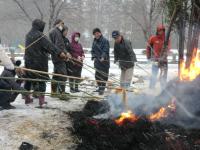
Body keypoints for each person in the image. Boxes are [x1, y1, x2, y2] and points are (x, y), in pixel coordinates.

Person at [24, 19, 66, 107]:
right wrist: (59, 53)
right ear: (39, 26)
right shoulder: (40, 36)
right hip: (39, 62)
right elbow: (50, 46)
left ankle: (27, 98)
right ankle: (41, 100)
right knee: (42, 80)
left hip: (29, 61)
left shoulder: (28, 35)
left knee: (29, 79)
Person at [49, 19, 71, 97]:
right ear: (57, 24)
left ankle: (54, 92)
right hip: (58, 57)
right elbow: (58, 45)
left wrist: (66, 53)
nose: (62, 26)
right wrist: (62, 53)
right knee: (63, 74)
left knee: (56, 74)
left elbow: (62, 45)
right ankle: (62, 92)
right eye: (61, 24)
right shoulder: (55, 31)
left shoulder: (57, 32)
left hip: (57, 56)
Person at [146, 24, 171, 89]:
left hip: (164, 60)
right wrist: (148, 56)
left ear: (164, 31)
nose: (161, 32)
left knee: (163, 75)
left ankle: (163, 88)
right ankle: (151, 88)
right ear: (157, 31)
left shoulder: (167, 39)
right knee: (154, 74)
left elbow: (168, 49)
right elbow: (148, 47)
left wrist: (164, 56)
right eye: (160, 30)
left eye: (162, 31)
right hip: (155, 60)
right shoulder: (153, 38)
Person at [91, 28, 110, 95]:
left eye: (97, 33)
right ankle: (99, 87)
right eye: (94, 34)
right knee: (97, 76)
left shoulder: (105, 41)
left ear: (100, 33)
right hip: (97, 62)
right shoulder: (94, 41)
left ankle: (102, 89)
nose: (96, 35)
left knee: (104, 76)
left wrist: (103, 57)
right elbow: (92, 50)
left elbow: (105, 50)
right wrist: (93, 56)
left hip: (104, 62)